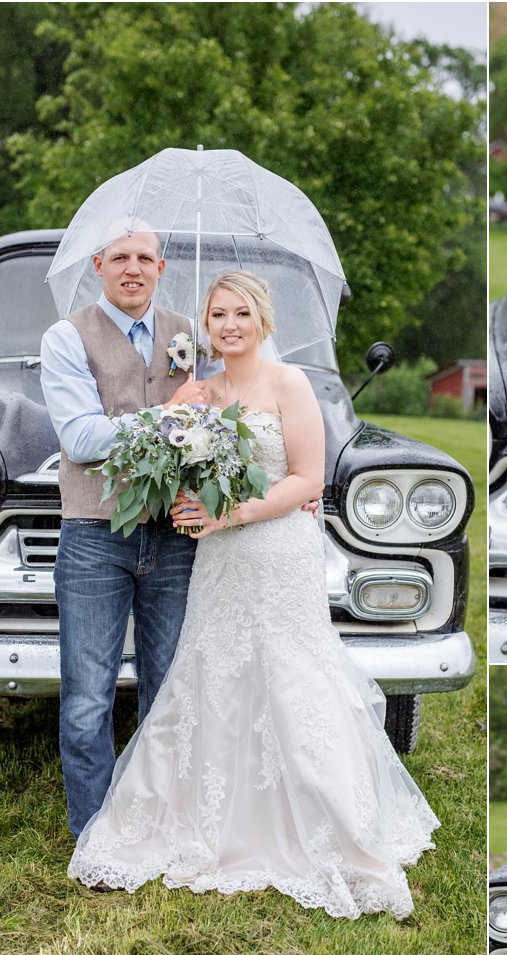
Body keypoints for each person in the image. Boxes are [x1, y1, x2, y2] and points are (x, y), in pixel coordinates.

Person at [67, 270, 439, 919]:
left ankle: (323, 817)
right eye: (218, 315)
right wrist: (182, 494)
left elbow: (307, 481)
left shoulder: (290, 384)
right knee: (215, 672)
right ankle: (207, 813)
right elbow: (165, 450)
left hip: (276, 554)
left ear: (262, 320)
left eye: (241, 313)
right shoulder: (200, 391)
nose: (230, 325)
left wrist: (228, 515)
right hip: (217, 560)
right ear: (205, 326)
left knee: (290, 675)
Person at [40, 228, 214, 839]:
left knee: (169, 690)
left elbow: (226, 415)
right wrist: (170, 417)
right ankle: (92, 831)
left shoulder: (192, 334)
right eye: (120, 258)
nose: (133, 269)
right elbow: (82, 439)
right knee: (88, 698)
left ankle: (155, 823)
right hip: (94, 534)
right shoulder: (67, 337)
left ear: (161, 266)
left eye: (144, 258)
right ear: (99, 265)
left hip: (174, 537)